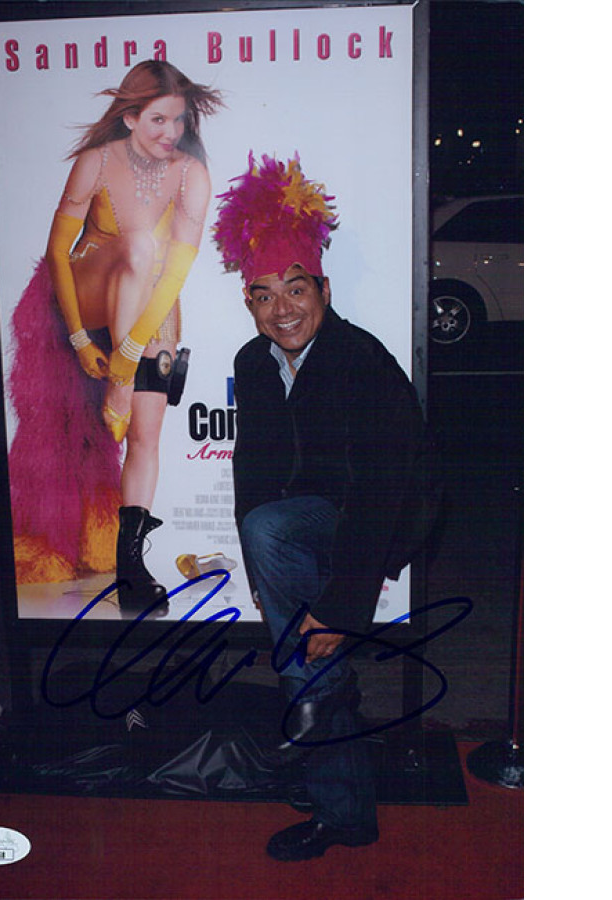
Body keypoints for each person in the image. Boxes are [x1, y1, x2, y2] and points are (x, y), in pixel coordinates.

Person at [213, 154, 438, 861]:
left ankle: (330, 770)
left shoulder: (359, 360)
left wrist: (340, 608)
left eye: (296, 288)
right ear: (248, 303)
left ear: (324, 288)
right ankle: (338, 783)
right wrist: (260, 571)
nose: (282, 309)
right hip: (297, 527)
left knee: (307, 632)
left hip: (379, 517)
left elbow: (384, 490)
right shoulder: (252, 364)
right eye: (263, 295)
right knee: (305, 652)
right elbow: (252, 469)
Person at [9, 61, 223, 613]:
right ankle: (120, 383)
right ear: (129, 117)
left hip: (147, 310)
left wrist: (130, 356)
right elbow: (57, 252)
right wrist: (81, 339)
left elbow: (177, 273)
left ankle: (131, 564)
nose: (171, 132)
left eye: (179, 120)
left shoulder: (192, 174)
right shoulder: (97, 161)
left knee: (146, 434)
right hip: (85, 295)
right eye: (158, 119)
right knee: (140, 246)